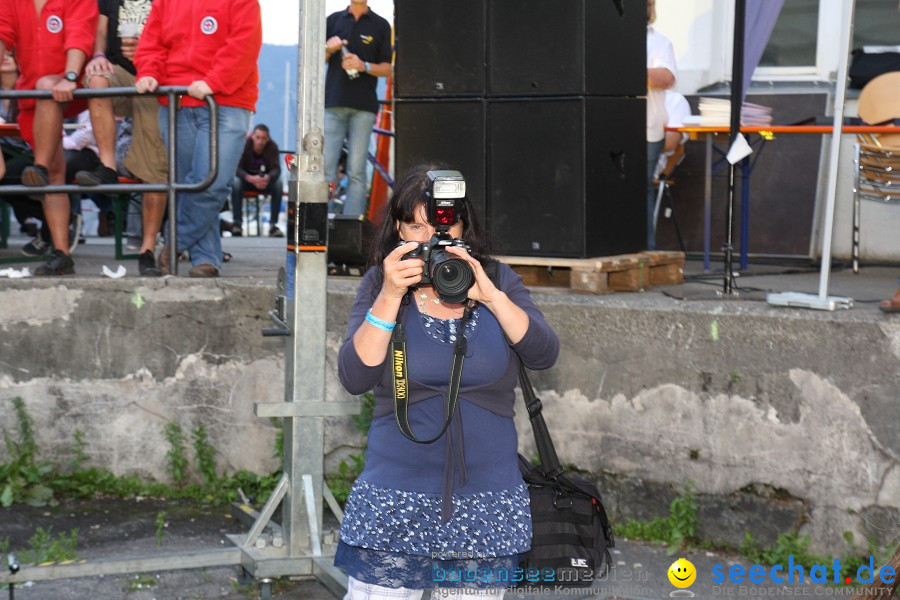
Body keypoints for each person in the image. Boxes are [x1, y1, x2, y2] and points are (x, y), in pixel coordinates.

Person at [334, 165, 560, 597]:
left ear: (462, 225)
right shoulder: (381, 286)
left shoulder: (496, 278)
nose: (428, 240)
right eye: (414, 227)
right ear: (397, 229)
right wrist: (388, 296)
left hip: (486, 501)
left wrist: (490, 296)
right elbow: (354, 376)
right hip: (394, 497)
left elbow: (544, 353)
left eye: (440, 225)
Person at [134, 0, 262, 277]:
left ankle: (174, 243)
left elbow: (244, 45)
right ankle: (205, 259)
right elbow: (151, 43)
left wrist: (214, 80)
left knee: (212, 183)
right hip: (176, 100)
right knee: (189, 186)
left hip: (226, 101)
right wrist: (148, 73)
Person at [0, 0, 98, 276]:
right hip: (33, 97)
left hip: (70, 86)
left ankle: (38, 167)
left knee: (46, 171)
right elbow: (2, 34)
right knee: (55, 174)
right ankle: (61, 253)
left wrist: (69, 76)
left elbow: (80, 35)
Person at [79, 0, 170, 276]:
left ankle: (147, 249)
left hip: (156, 76)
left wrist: (148, 53)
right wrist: (97, 56)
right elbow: (101, 29)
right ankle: (107, 165)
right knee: (96, 79)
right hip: (121, 70)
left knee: (155, 167)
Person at [324, 0, 391, 216]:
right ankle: (320, 227)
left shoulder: (381, 25)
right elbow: (314, 59)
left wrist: (364, 66)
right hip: (332, 104)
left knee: (357, 171)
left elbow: (388, 68)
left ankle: (352, 230)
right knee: (326, 169)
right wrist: (329, 48)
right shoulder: (333, 20)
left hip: (364, 107)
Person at [645, 0, 677, 251]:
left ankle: (646, 249)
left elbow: (666, 78)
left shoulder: (659, 42)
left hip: (647, 129)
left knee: (641, 188)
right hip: (606, 124)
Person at [230, 123, 283, 238]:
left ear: (268, 139)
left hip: (265, 182)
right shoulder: (244, 145)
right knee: (236, 183)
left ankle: (273, 225)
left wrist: (267, 177)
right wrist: (250, 178)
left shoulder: (273, 147)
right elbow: (236, 168)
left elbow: (276, 169)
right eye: (258, 137)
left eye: (263, 138)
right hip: (246, 181)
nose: (260, 141)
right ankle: (237, 223)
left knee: (278, 184)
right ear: (252, 136)